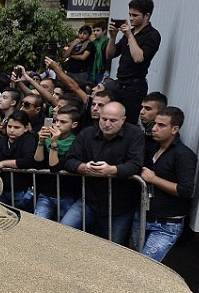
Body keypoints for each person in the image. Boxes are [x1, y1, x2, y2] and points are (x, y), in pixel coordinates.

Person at [61, 101, 145, 244]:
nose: (107, 124)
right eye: (103, 119)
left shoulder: (134, 134)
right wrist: (84, 167)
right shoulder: (87, 133)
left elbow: (136, 164)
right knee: (63, 231)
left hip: (120, 205)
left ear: (123, 120)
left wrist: (112, 170)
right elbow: (69, 160)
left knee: (115, 247)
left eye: (113, 120)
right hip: (89, 200)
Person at [137, 106, 197, 261]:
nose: (155, 129)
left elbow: (185, 190)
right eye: (155, 124)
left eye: (161, 125)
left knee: (143, 268)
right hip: (144, 219)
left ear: (175, 129)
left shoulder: (184, 155)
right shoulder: (153, 149)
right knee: (134, 263)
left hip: (166, 225)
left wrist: (154, 179)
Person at [106, 0, 161, 124]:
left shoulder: (152, 35)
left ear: (146, 16)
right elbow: (110, 55)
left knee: (128, 122)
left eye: (135, 15)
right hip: (120, 83)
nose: (131, 18)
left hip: (135, 87)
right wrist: (113, 37)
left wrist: (130, 36)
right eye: (130, 15)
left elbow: (138, 58)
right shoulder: (129, 33)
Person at [33, 106, 81, 220]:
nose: (58, 124)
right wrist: (41, 142)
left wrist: (54, 143)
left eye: (63, 122)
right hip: (46, 193)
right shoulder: (48, 139)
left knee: (65, 231)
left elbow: (54, 167)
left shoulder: (76, 142)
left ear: (73, 125)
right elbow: (37, 163)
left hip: (67, 195)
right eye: (56, 121)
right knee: (37, 226)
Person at [0, 110, 37, 210]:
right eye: (9, 126)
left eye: (16, 127)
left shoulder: (29, 139)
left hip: (22, 191)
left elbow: (27, 161)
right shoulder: (3, 140)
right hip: (4, 190)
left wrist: (4, 163)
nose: (12, 130)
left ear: (25, 128)